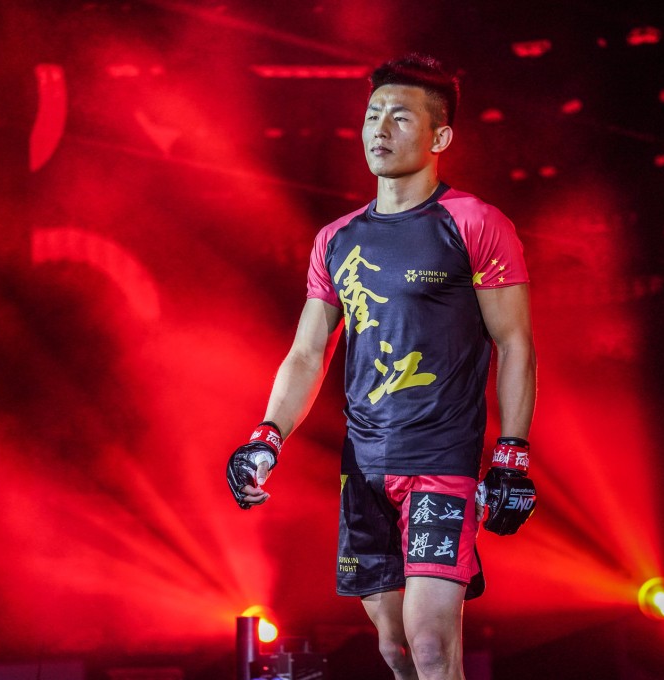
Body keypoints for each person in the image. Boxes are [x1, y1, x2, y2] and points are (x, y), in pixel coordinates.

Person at [226, 54, 537, 680]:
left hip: (442, 464)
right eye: (373, 116)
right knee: (394, 649)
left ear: (440, 136)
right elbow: (307, 353)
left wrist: (511, 454)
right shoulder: (336, 239)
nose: (380, 130)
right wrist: (264, 439)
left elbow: (516, 343)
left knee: (430, 645)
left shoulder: (476, 222)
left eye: (400, 117)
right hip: (362, 470)